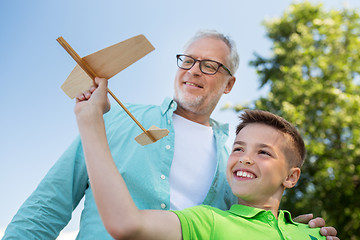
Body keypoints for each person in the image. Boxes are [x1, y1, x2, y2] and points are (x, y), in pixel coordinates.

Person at [3, 30, 337, 239]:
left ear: (229, 83)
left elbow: (249, 223)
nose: (194, 70)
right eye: (187, 60)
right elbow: (48, 206)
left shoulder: (233, 161)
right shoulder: (113, 118)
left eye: (209, 65)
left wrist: (288, 227)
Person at [73, 81, 329, 239]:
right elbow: (126, 224)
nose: (245, 159)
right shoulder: (207, 221)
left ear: (291, 176)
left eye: (263, 152)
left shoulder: (313, 233)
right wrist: (90, 121)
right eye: (238, 149)